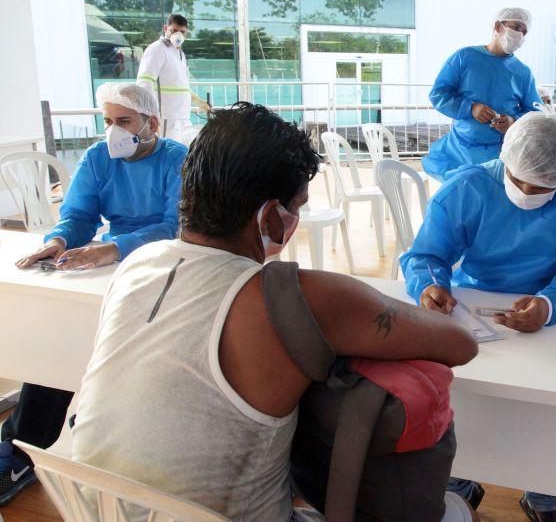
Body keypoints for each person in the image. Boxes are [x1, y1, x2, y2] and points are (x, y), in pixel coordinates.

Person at [71, 103, 480, 521]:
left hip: (88, 507)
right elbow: (460, 344)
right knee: (454, 514)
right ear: (270, 217)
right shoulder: (289, 296)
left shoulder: (138, 264)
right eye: (297, 207)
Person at [400, 111, 556, 522]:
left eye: (541, 186)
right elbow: (426, 254)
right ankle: (460, 482)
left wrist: (551, 303)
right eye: (518, 179)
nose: (525, 191)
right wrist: (430, 285)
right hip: (474, 310)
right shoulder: (469, 186)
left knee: (555, 406)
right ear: (503, 159)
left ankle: (542, 496)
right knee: (461, 397)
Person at [0, 82, 186, 506]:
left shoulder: (176, 159)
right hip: (104, 264)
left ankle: (108, 433)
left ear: (151, 123)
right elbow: (79, 214)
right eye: (107, 121)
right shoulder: (97, 158)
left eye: (124, 121)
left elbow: (176, 224)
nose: (113, 131)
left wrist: (116, 247)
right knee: (60, 341)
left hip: (161, 262)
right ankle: (20, 450)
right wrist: (61, 241)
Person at [422, 8, 542, 181]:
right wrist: (470, 108)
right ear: (498, 26)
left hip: (502, 154)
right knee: (462, 199)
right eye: (516, 27)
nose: (520, 35)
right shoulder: (464, 57)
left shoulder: (522, 72)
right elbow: (438, 94)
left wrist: (513, 121)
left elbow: (534, 112)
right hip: (460, 152)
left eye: (524, 32)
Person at [137, 13, 211, 142]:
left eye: (182, 32)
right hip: (165, 119)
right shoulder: (157, 49)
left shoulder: (179, 53)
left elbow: (180, 85)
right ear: (166, 29)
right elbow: (144, 84)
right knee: (167, 157)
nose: (178, 35)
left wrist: (198, 101)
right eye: (174, 31)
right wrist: (151, 116)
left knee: (183, 157)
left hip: (182, 117)